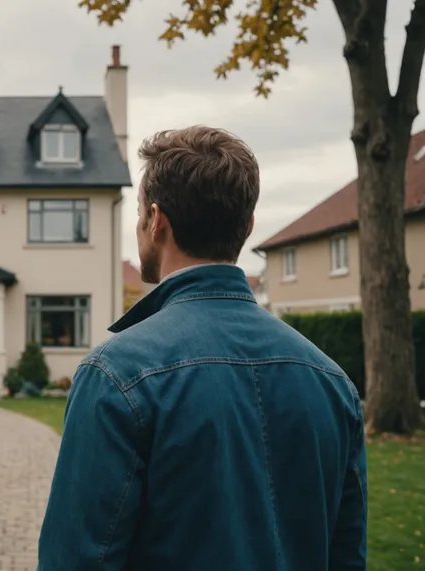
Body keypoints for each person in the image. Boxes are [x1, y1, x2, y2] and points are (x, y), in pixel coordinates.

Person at [36, 126, 367, 571]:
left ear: (156, 221)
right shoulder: (334, 383)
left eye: (138, 214)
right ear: (248, 227)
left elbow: (75, 561)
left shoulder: (116, 374)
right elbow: (346, 557)